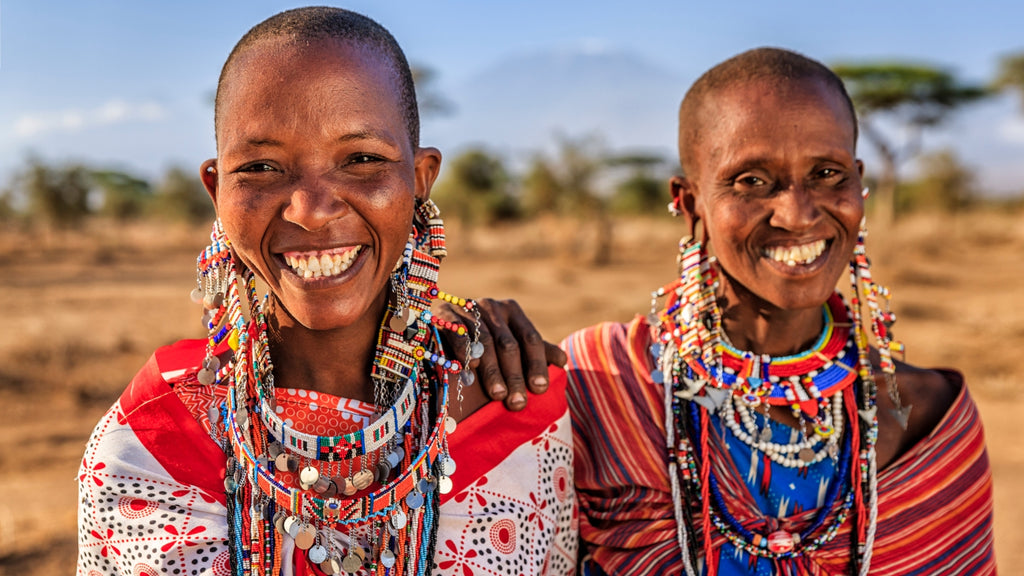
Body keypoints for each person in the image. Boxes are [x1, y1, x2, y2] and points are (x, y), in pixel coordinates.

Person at [76, 7, 575, 576]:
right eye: (262, 167)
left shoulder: (513, 413)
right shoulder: (149, 445)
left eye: (361, 159)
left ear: (420, 178)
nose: (311, 211)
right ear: (217, 190)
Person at [559, 48, 996, 575]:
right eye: (751, 180)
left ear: (859, 185)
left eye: (828, 173)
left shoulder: (928, 420)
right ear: (689, 201)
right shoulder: (602, 384)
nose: (796, 214)